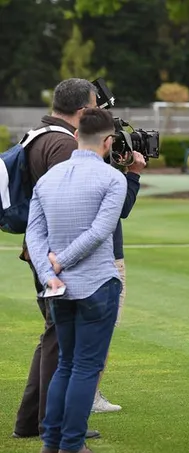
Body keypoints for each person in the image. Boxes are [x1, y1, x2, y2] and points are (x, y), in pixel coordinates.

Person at [26, 107, 127, 453]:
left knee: (65, 364)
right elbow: (101, 232)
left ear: (75, 136)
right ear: (108, 141)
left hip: (59, 288)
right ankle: (70, 444)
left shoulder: (47, 179)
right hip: (97, 283)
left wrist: (48, 272)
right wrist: (61, 262)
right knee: (84, 367)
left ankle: (51, 443)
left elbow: (34, 235)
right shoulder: (114, 178)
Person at [13, 78, 102, 441]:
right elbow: (71, 203)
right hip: (56, 254)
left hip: (40, 249)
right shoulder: (64, 144)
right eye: (95, 107)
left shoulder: (38, 133)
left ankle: (31, 420)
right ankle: (51, 423)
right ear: (82, 110)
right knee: (60, 340)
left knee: (53, 336)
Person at [91, 150, 146, 413]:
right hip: (107, 258)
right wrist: (133, 174)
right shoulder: (102, 170)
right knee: (102, 332)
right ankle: (89, 396)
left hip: (72, 257)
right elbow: (120, 209)